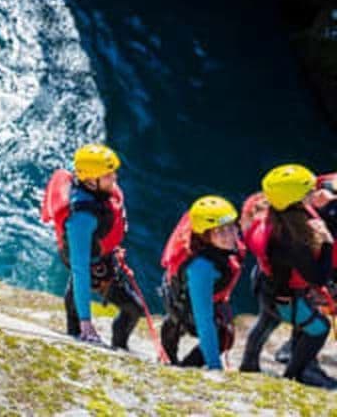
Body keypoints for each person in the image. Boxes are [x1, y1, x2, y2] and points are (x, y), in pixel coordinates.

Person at [239, 164, 337, 388]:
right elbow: (318, 277)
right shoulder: (294, 241)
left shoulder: (270, 215)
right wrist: (327, 243)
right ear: (296, 202)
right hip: (287, 296)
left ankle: (248, 364)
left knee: (266, 321)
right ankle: (293, 376)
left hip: (265, 283)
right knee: (319, 329)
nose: (315, 193)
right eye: (309, 192)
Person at [41, 143, 142, 348]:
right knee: (131, 309)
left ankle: (119, 346)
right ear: (90, 181)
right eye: (108, 175)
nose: (114, 178)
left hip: (102, 260)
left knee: (134, 309)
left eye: (113, 173)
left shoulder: (99, 192)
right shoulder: (81, 218)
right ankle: (109, 345)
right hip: (92, 270)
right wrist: (86, 322)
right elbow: (80, 269)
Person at [159, 196, 243, 369]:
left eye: (231, 227)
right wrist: (215, 366)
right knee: (222, 337)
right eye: (219, 231)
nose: (229, 235)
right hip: (184, 305)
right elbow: (204, 321)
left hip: (182, 295)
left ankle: (171, 353)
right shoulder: (202, 268)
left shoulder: (220, 247)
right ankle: (184, 368)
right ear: (205, 236)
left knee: (175, 325)